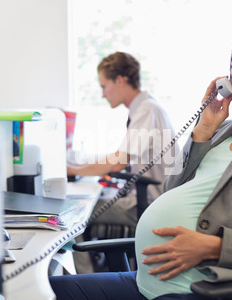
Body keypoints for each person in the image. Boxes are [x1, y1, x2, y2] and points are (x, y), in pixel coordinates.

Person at [50, 22, 232, 300]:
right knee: (46, 291)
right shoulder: (227, 128)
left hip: (204, 288)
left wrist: (213, 247)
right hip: (148, 282)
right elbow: (170, 189)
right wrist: (202, 132)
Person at [69, 52, 179, 272]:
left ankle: (85, 281)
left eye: (104, 86)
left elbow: (119, 160)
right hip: (146, 197)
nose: (103, 94)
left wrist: (74, 169)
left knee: (74, 214)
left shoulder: (147, 109)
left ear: (120, 80)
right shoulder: (145, 108)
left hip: (149, 202)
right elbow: (124, 158)